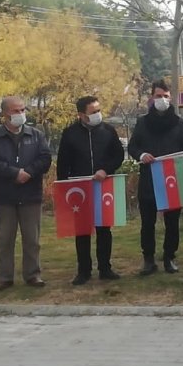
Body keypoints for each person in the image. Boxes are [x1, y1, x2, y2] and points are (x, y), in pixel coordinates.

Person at [0, 96, 52, 291]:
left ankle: (33, 274)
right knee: (5, 239)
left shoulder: (36, 135)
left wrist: (29, 172)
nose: (20, 114)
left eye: (22, 110)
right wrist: (14, 173)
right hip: (5, 196)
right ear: (4, 114)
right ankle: (4, 277)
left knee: (32, 238)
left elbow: (45, 158)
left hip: (31, 195)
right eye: (15, 111)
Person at [127, 80, 183, 276]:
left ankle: (169, 257)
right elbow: (132, 147)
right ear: (151, 98)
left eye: (165, 96)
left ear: (170, 98)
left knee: (172, 223)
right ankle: (148, 259)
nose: (162, 100)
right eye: (158, 96)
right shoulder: (142, 122)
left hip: (172, 180)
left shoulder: (181, 124)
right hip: (149, 179)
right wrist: (141, 155)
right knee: (147, 223)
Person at [57, 95, 125, 285]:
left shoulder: (108, 131)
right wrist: (64, 188)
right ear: (81, 115)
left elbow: (118, 155)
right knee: (83, 231)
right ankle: (83, 270)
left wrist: (106, 169)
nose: (98, 114)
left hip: (103, 186)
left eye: (98, 110)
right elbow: (63, 163)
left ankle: (105, 268)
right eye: (93, 112)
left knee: (104, 229)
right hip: (80, 188)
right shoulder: (69, 134)